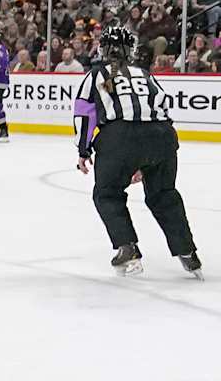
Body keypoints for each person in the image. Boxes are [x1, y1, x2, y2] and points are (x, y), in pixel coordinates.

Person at [73, 24, 201, 277]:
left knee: (107, 193)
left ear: (103, 49)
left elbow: (84, 113)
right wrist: (148, 157)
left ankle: (127, 248)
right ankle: (187, 251)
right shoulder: (144, 73)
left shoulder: (97, 74)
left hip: (120, 138)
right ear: (129, 50)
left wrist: (83, 150)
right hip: (162, 137)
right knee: (164, 195)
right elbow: (162, 106)